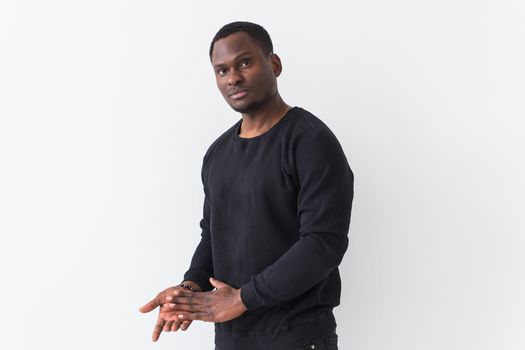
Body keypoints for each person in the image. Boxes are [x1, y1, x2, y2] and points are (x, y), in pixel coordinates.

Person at [139, 21, 354, 350]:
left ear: (274, 64)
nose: (233, 78)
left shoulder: (310, 141)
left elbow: (323, 244)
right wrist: (191, 288)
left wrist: (243, 298)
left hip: (297, 336)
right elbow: (213, 234)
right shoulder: (218, 154)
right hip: (231, 339)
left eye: (245, 63)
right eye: (221, 70)